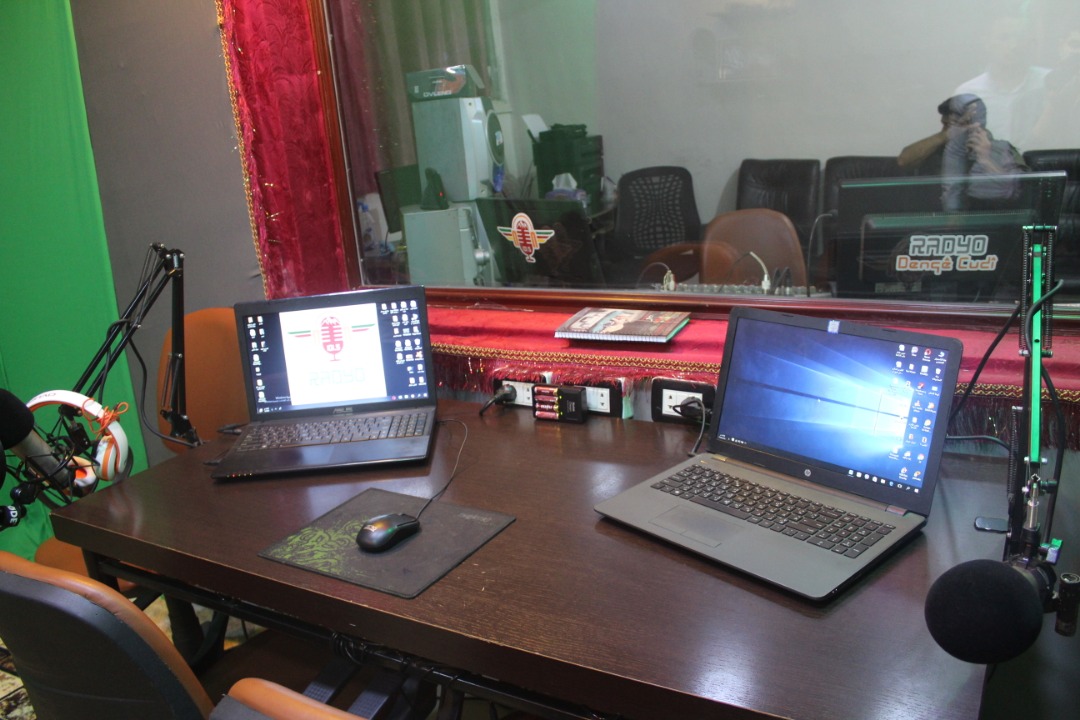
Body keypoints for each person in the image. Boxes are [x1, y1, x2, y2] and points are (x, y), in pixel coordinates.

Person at [898, 94, 1028, 211]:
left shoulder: (1002, 149)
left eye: (964, 123)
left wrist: (986, 159)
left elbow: (1018, 191)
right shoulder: (937, 149)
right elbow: (903, 161)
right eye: (946, 124)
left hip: (989, 218)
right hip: (939, 218)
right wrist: (946, 135)